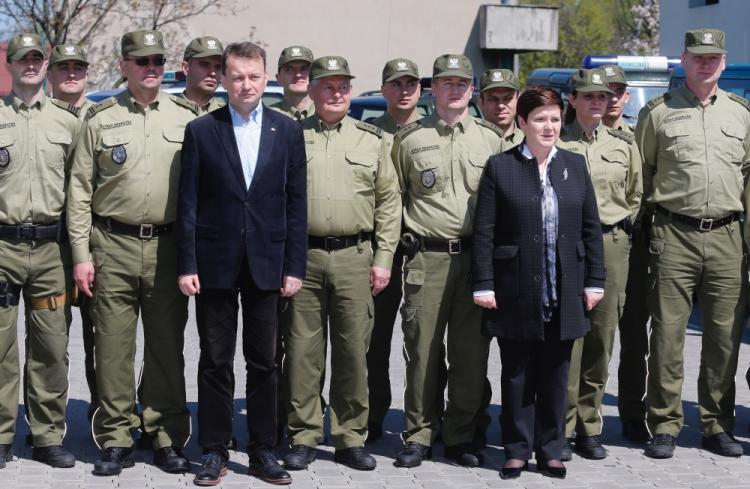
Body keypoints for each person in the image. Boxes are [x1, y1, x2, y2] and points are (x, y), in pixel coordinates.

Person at [67, 29, 198, 476]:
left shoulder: (187, 117)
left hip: (167, 247)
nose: (151, 68)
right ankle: (116, 438)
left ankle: (165, 436)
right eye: (141, 60)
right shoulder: (100, 118)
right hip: (112, 245)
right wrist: (82, 255)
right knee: (113, 349)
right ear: (123, 65)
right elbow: (80, 192)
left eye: (158, 60)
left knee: (166, 348)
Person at [176, 41, 305, 486]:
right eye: (237, 76)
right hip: (214, 261)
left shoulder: (287, 132)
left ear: (266, 78)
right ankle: (214, 449)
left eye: (254, 76)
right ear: (224, 80)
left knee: (265, 360)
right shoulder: (202, 131)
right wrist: (186, 263)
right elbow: (188, 203)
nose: (246, 84)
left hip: (268, 262)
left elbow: (296, 204)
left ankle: (263, 450)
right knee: (214, 359)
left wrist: (295, 266)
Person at [472, 86, 605, 480]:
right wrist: (484, 283)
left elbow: (590, 229)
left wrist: (594, 280)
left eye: (553, 118)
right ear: (521, 123)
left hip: (564, 285)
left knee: (556, 373)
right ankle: (515, 449)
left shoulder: (575, 165)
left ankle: (551, 449)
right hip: (515, 286)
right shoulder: (501, 167)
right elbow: (485, 231)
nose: (548, 127)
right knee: (516, 373)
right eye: (539, 119)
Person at [280, 55, 401, 472]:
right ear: (311, 91)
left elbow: (388, 204)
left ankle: (351, 435)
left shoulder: (373, 140)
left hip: (355, 256)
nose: (336, 93)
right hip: (304, 257)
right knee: (302, 352)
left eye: (342, 86)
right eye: (327, 86)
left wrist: (383, 258)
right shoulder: (291, 136)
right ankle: (304, 433)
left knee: (353, 352)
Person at [636, 28, 750, 459]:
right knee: (667, 334)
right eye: (698, 57)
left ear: (723, 62)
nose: (706, 64)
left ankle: (716, 424)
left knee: (724, 335)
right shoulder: (658, 112)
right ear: (683, 60)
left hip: (727, 235)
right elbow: (643, 174)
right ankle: (663, 424)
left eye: (714, 57)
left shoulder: (741, 114)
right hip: (674, 234)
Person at [391, 54, 504, 468]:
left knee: (469, 353)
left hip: (476, 259)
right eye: (446, 83)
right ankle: (419, 434)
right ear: (432, 89)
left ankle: (459, 436)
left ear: (471, 90)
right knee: (421, 351)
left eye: (462, 83)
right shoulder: (409, 139)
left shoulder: (492, 139)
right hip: (427, 258)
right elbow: (394, 200)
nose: (455, 89)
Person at [0, 32, 80, 470]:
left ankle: (47, 435)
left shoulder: (68, 123)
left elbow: (81, 191)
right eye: (21, 59)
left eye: (36, 59)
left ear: (45, 65)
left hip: (52, 251)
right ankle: (0, 433)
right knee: (0, 347)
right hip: (3, 247)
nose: (29, 65)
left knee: (51, 346)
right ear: (10, 66)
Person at [559, 69, 642, 460]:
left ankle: (590, 428)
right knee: (567, 338)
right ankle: (562, 424)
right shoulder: (555, 140)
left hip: (611, 244)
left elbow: (635, 195)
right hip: (566, 246)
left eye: (602, 96)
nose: (596, 102)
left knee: (601, 338)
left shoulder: (624, 145)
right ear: (572, 99)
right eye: (587, 96)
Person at [366, 57, 432, 443]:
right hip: (382, 250)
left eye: (410, 84)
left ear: (420, 90)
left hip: (425, 248)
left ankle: (425, 419)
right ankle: (373, 416)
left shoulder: (435, 132)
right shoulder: (369, 131)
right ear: (384, 89)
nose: (404, 90)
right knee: (374, 340)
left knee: (423, 341)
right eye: (396, 84)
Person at [45, 42, 100, 424]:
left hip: (100, 246)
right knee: (52, 342)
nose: (71, 74)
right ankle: (49, 425)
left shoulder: (102, 117)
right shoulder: (41, 118)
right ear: (51, 74)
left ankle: (105, 415)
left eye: (78, 67)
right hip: (53, 247)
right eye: (63, 67)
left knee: (104, 341)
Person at [604, 64, 651, 443]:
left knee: (635, 335)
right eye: (605, 91)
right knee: (591, 334)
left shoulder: (637, 137)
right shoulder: (573, 138)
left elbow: (643, 189)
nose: (612, 98)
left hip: (636, 245)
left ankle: (634, 412)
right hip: (595, 248)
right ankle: (582, 416)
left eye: (619, 91)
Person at [478, 68, 524, 148]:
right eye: (492, 99)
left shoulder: (530, 143)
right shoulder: (466, 142)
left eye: (508, 98)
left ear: (518, 99)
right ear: (481, 102)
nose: (501, 105)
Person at [180, 36, 225, 114]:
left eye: (218, 67)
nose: (212, 73)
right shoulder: (164, 112)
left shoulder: (228, 116)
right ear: (186, 68)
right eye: (204, 65)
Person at [270, 45, 315, 121]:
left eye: (304, 69)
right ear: (278, 78)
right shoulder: (267, 117)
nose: (298, 74)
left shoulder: (329, 114)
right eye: (289, 69)